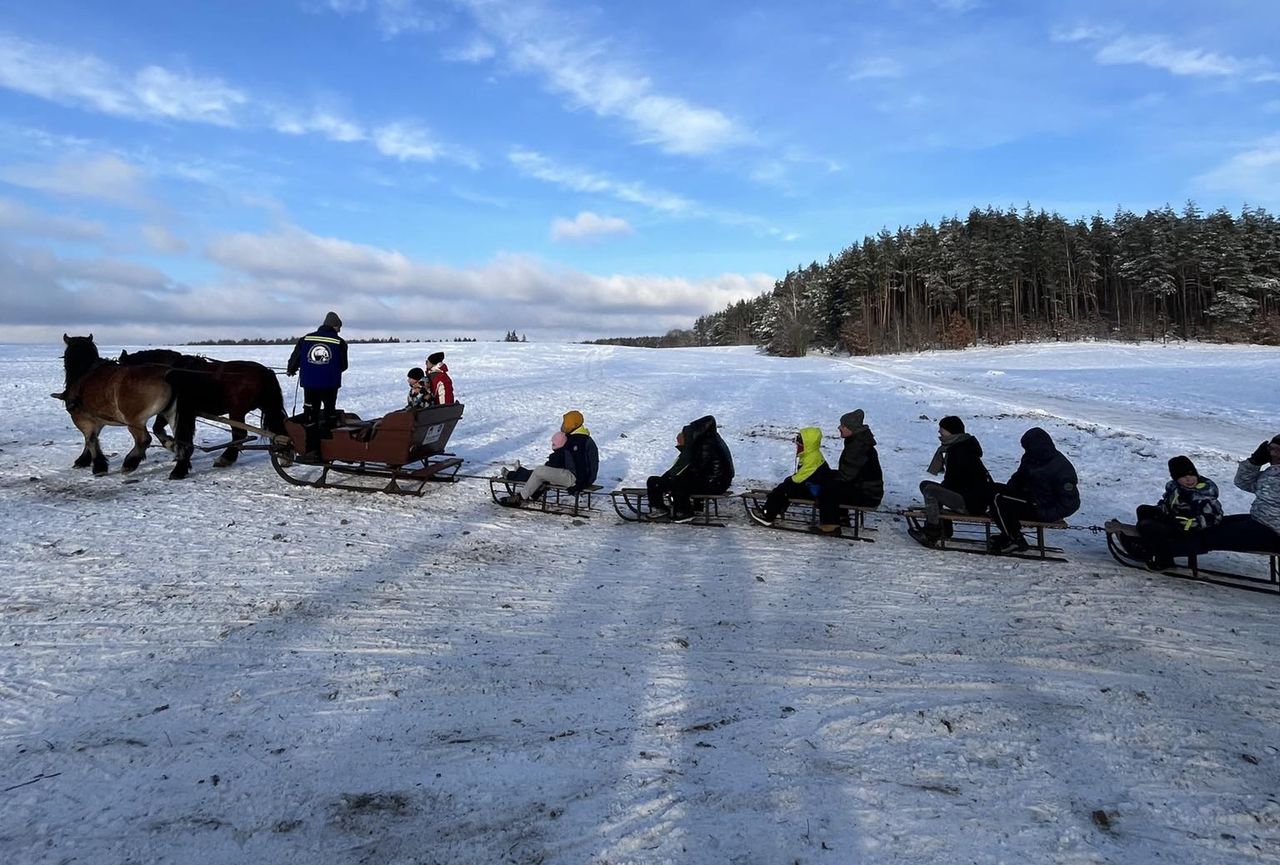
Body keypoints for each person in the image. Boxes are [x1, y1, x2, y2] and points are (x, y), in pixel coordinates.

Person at [987, 427, 1081, 553]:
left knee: (998, 498)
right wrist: (1007, 493)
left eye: (1028, 448)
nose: (1026, 451)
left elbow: (1071, 503)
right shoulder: (1031, 458)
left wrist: (1044, 513)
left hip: (1042, 507)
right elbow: (1018, 479)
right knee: (993, 491)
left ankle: (1015, 539)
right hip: (1028, 500)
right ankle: (1009, 532)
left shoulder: (1061, 467)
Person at [1126, 455, 1224, 570]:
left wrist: (1191, 522)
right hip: (1176, 521)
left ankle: (1165, 560)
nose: (1189, 479)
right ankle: (1150, 547)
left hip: (1191, 530)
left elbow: (1215, 516)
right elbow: (1168, 504)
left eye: (1191, 475)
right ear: (1176, 478)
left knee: (1147, 526)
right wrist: (1161, 510)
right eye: (1183, 476)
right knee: (1143, 510)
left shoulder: (1204, 494)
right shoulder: (1176, 488)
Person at [910, 415, 992, 548]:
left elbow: (954, 481)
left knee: (930, 490)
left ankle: (932, 532)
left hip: (971, 502)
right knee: (926, 485)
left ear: (950, 431)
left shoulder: (959, 451)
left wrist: (941, 491)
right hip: (968, 496)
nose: (939, 433)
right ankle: (943, 527)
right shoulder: (960, 447)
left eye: (941, 429)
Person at [499, 410, 599, 506]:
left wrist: (579, 486)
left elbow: (581, 464)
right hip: (577, 476)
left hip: (577, 478)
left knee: (539, 471)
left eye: (565, 423)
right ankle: (534, 491)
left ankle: (519, 498)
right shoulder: (577, 437)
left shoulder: (578, 441)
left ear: (572, 425)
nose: (563, 425)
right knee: (542, 472)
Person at [647, 415, 735, 523]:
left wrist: (671, 478)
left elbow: (693, 467)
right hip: (719, 481)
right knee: (682, 479)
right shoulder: (711, 439)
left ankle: (683, 512)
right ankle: (694, 508)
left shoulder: (704, 445)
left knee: (679, 482)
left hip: (714, 483)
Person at [1202, 435, 1280, 555]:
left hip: (1273, 532)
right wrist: (1253, 462)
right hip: (1259, 521)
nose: (1274, 454)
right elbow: (1244, 483)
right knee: (1209, 524)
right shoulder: (1273, 472)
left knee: (1209, 535)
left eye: (1279, 450)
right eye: (1271, 449)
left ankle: (1168, 555)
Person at [286, 311, 348, 458]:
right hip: (330, 385)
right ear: (334, 325)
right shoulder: (340, 342)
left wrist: (291, 369)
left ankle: (312, 449)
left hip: (310, 385)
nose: (339, 330)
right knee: (329, 414)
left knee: (311, 416)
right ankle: (329, 447)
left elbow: (295, 358)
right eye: (339, 327)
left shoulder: (305, 339)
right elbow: (343, 365)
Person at [813, 409, 883, 536]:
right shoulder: (857, 441)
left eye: (843, 425)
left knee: (829, 487)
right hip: (867, 490)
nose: (839, 427)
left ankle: (831, 525)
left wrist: (826, 478)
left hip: (868, 495)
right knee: (830, 479)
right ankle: (841, 517)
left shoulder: (858, 446)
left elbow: (846, 476)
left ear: (852, 428)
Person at [749, 427, 831, 526]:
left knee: (782, 491)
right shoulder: (811, 454)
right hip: (815, 486)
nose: (797, 444)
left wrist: (786, 483)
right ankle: (777, 509)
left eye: (800, 441)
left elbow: (799, 479)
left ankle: (767, 516)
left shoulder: (812, 458)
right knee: (786, 488)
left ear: (807, 443)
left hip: (815, 490)